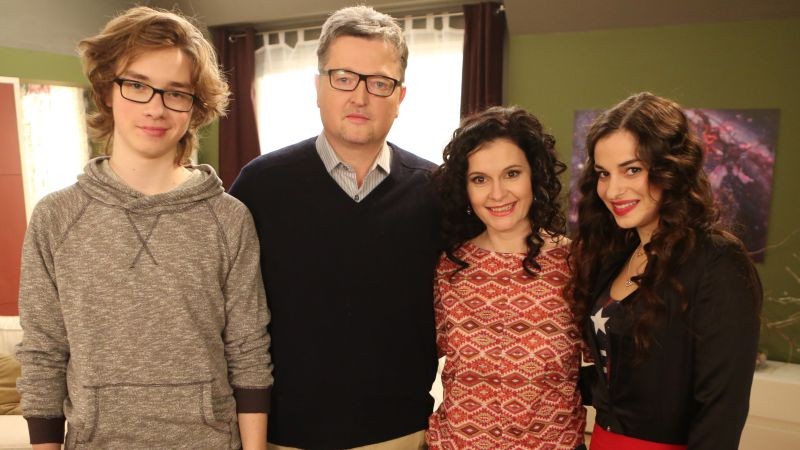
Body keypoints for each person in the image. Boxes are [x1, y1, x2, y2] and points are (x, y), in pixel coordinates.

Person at [16, 6, 272, 450]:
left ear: (195, 107)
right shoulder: (55, 217)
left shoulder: (229, 218)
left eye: (176, 92)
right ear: (106, 91)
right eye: (137, 85)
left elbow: (248, 351)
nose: (156, 108)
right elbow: (43, 355)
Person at [229, 5, 439, 450]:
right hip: (284, 437)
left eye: (379, 82)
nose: (359, 97)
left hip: (400, 434)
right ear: (318, 87)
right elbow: (231, 318)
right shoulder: (260, 186)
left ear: (400, 97)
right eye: (343, 77)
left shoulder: (437, 191)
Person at [567, 92, 762, 450]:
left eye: (632, 169)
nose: (613, 189)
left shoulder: (717, 261)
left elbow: (721, 411)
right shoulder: (618, 255)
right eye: (603, 173)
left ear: (670, 169)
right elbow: (624, 379)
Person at [427, 106, 586, 449]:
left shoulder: (576, 264)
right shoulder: (448, 267)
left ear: (535, 176)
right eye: (480, 179)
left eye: (512, 174)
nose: (497, 194)